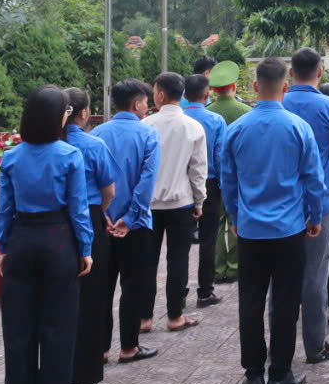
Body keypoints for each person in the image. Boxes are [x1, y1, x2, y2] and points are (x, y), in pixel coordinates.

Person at [220, 57, 325, 384]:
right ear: (285, 85)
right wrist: (314, 216)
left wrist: (236, 217)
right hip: (289, 229)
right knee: (284, 301)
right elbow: (313, 179)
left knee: (250, 301)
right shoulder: (298, 127)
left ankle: (252, 374)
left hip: (250, 230)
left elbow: (228, 181)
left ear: (254, 86)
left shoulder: (235, 130)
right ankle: (280, 373)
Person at [0, 86, 93, 384]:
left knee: (18, 328)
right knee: (59, 325)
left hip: (22, 239)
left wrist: (4, 246)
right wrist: (86, 248)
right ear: (57, 117)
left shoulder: (11, 157)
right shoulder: (69, 155)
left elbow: (5, 208)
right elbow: (78, 208)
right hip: (59, 240)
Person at [282, 48, 329, 366]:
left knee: (278, 279)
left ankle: (278, 349)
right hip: (320, 202)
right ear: (320, 71)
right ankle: (315, 345)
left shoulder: (278, 105)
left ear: (291, 72)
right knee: (314, 277)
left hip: (280, 205)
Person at [93, 80, 162, 366]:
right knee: (133, 286)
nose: (148, 106)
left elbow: (93, 180)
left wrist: (105, 215)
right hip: (135, 226)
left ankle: (101, 349)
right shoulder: (148, 134)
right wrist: (131, 218)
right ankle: (129, 347)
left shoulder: (96, 134)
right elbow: (146, 182)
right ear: (136, 105)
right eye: (146, 102)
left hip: (103, 223)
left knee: (103, 288)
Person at [139, 72, 207, 335]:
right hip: (182, 203)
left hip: (148, 206)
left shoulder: (146, 126)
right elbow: (198, 170)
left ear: (160, 95)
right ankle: (175, 316)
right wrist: (199, 201)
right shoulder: (193, 127)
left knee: (147, 262)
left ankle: (144, 318)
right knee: (178, 260)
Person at [63, 88, 118, 384]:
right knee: (92, 298)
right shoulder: (93, 145)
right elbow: (108, 190)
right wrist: (101, 215)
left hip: (56, 226)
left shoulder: (49, 144)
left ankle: (60, 371)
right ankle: (85, 373)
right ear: (84, 114)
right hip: (91, 220)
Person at [180, 74, 228, 310]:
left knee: (179, 243)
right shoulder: (216, 120)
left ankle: (177, 292)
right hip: (209, 183)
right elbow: (220, 156)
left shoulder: (177, 119)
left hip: (179, 184)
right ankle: (205, 291)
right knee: (209, 239)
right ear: (206, 93)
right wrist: (222, 186)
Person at [204, 60, 250, 285]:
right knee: (236, 220)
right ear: (234, 86)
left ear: (213, 89)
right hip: (241, 177)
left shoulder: (206, 113)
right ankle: (234, 266)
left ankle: (217, 266)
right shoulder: (246, 112)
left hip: (211, 178)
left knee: (215, 224)